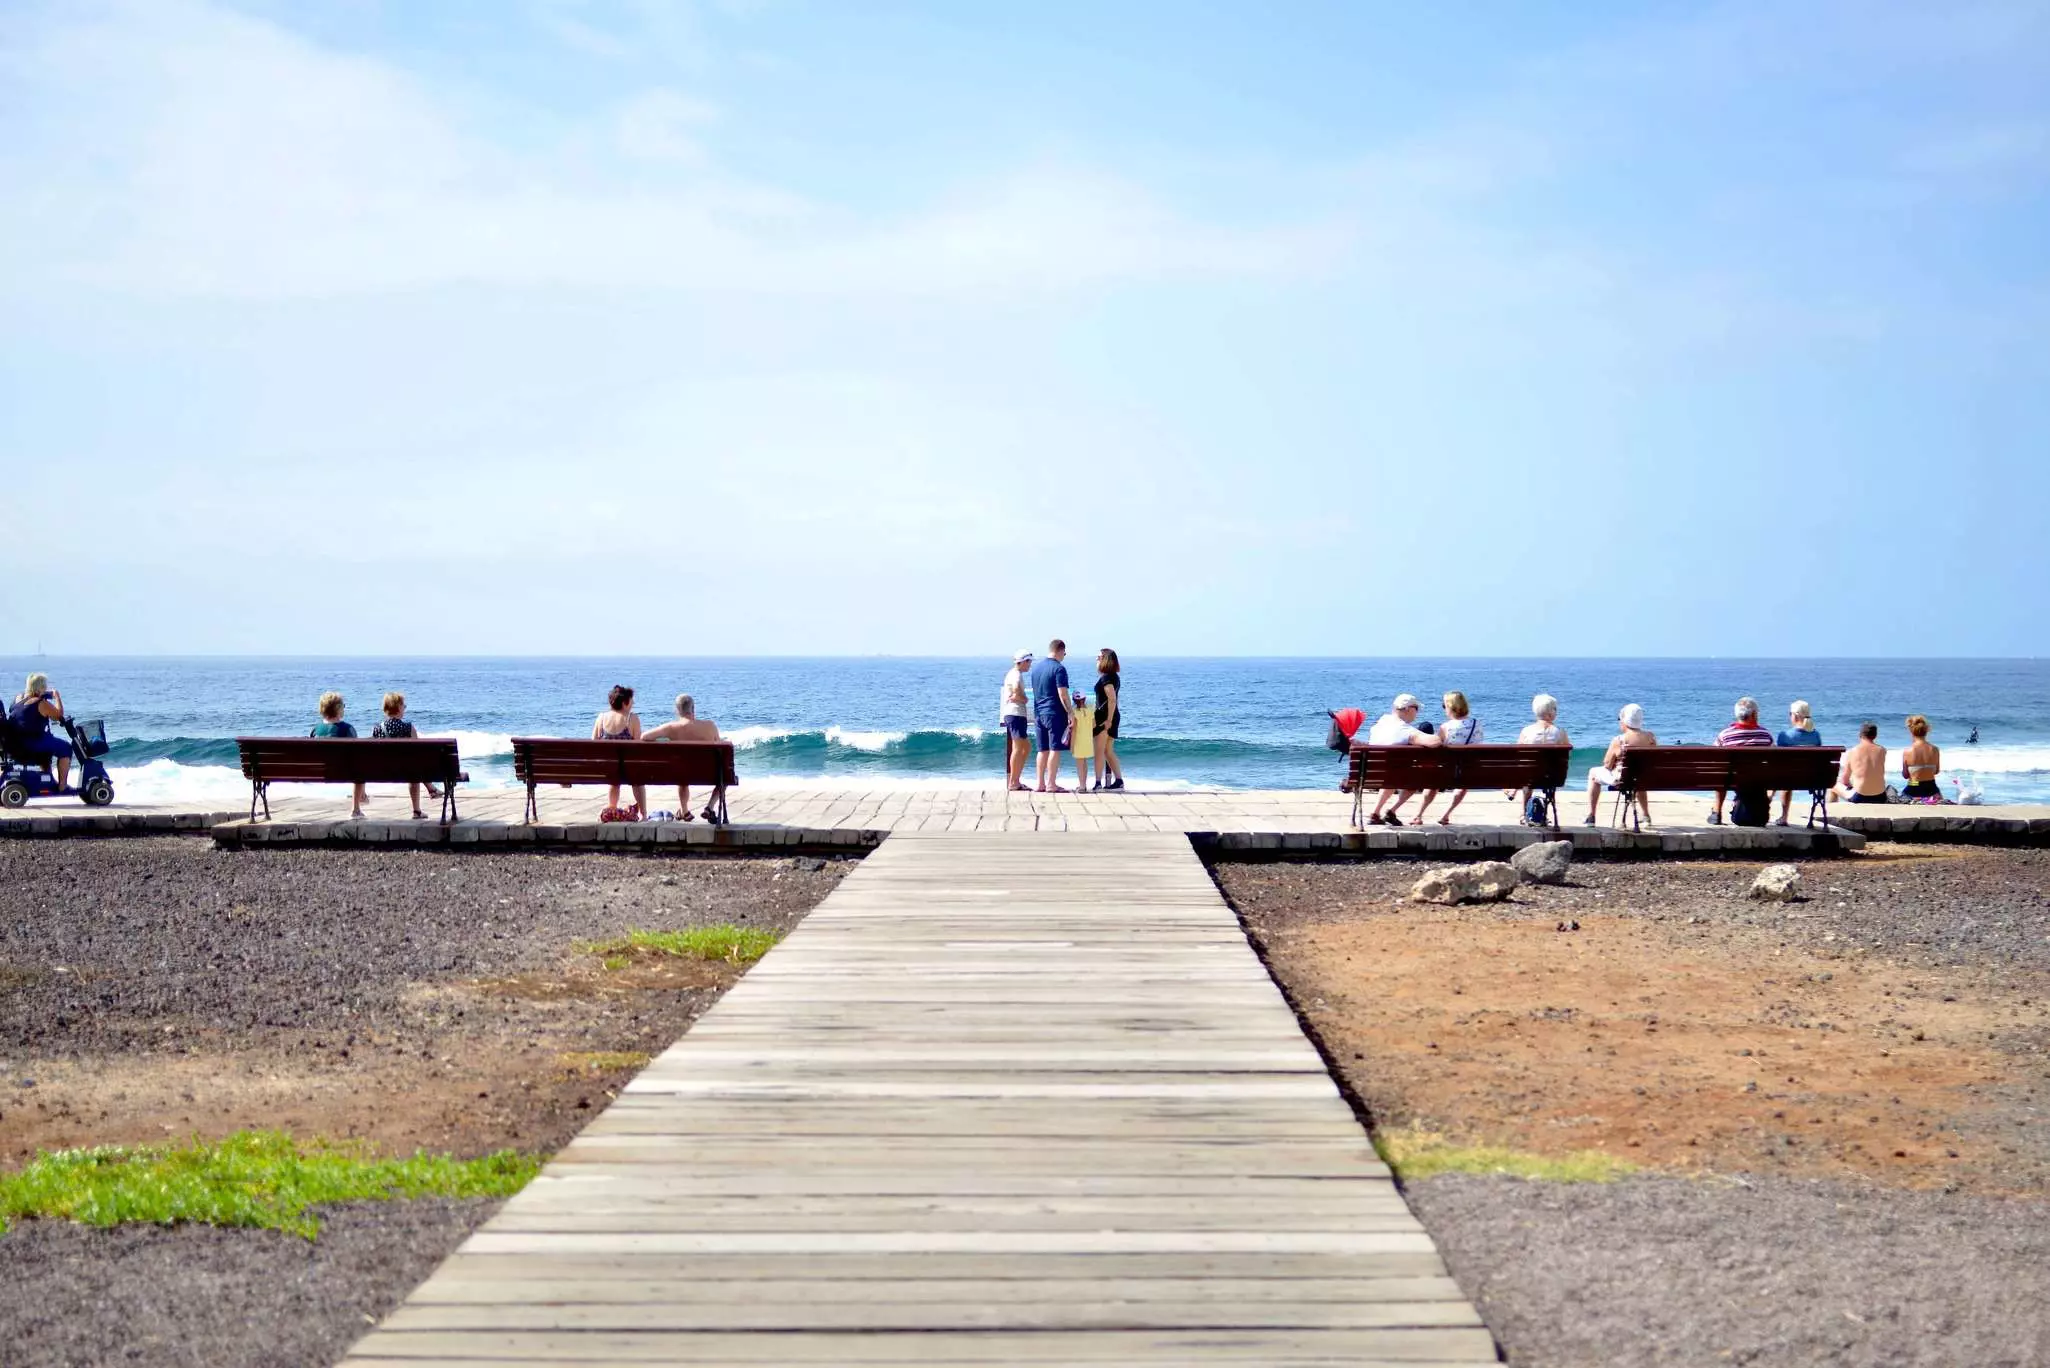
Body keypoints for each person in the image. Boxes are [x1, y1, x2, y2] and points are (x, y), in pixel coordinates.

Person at [1362, 693, 1444, 826]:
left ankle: (1375, 813)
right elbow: (1435, 742)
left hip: (1372, 774)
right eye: (1416, 709)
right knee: (1413, 780)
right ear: (1408, 709)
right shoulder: (1406, 730)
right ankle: (1392, 811)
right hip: (1395, 775)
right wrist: (1442, 734)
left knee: (1392, 773)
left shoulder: (1380, 723)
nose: (1417, 713)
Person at [642, 693, 724, 821]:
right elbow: (720, 749)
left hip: (682, 773)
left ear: (677, 710)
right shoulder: (710, 726)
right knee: (724, 777)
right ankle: (709, 807)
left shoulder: (670, 728)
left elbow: (644, 737)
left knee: (682, 775)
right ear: (693, 708)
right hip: (708, 773)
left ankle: (685, 811)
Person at [1409, 691, 1483, 826]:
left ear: (1450, 707)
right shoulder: (1477, 724)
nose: (1444, 709)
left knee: (1432, 784)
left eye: (1444, 706)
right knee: (1462, 785)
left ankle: (1418, 816)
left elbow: (1436, 745)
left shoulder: (1446, 727)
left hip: (1446, 771)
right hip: (1468, 771)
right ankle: (1446, 815)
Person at [371, 691, 442, 820]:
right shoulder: (408, 727)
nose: (405, 708)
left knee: (412, 766)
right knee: (414, 766)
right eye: (404, 706)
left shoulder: (377, 728)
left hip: (382, 770)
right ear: (398, 708)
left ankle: (431, 789)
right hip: (407, 771)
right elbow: (417, 752)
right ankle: (418, 809)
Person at [1706, 696, 1775, 826]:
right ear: (1754, 714)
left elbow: (1714, 758)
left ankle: (1717, 812)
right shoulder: (1765, 735)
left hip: (1732, 779)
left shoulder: (1725, 735)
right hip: (1757, 780)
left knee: (1721, 773)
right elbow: (1773, 761)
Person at [1585, 703, 1657, 827]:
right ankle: (1645, 815)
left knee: (1593, 773)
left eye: (1620, 719)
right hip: (1643, 779)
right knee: (1639, 775)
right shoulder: (1650, 737)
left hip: (1623, 780)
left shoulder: (1619, 740)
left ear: (1624, 721)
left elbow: (1607, 764)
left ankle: (1591, 816)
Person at [1027, 640, 1078, 793]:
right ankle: (1051, 784)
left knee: (1042, 750)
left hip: (1038, 713)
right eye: (1064, 652)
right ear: (1060, 650)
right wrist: (1070, 712)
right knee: (1054, 748)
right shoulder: (1059, 669)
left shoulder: (1036, 669)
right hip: (1054, 713)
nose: (1064, 655)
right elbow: (1062, 693)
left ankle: (1040, 784)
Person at [7, 672, 72, 789]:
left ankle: (47, 781)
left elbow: (21, 713)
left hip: (16, 743)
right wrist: (57, 697)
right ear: (41, 687)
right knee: (66, 748)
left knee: (47, 747)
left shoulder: (18, 698)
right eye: (44, 686)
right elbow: (59, 715)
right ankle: (62, 785)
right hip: (31, 744)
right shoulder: (40, 703)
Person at [1513, 694, 1570, 824]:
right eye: (1555, 709)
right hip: (1553, 777)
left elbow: (1518, 754)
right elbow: (1566, 755)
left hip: (1530, 776)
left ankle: (1524, 814)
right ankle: (1545, 813)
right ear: (1551, 713)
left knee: (1528, 776)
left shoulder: (1526, 731)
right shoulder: (1560, 732)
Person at [309, 691, 367, 819]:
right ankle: (355, 809)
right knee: (361, 767)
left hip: (319, 771)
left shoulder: (315, 730)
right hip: (344, 771)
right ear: (339, 709)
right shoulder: (348, 729)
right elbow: (357, 755)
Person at [592, 685, 645, 819]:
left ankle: (612, 809)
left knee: (615, 779)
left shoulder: (601, 718)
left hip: (609, 768)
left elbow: (593, 742)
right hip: (629, 768)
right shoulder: (632, 718)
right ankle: (644, 814)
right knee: (637, 780)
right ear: (624, 702)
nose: (633, 703)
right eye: (631, 701)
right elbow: (638, 745)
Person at [1773, 699, 1824, 827]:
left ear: (1795, 716)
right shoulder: (1816, 735)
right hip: (1812, 779)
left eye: (1790, 713)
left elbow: (1780, 761)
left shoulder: (1784, 735)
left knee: (1785, 775)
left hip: (1788, 779)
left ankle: (1784, 817)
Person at [999, 651, 1032, 792]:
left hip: (1016, 714)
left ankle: (1016, 780)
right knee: (1018, 748)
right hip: (1015, 714)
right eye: (1029, 662)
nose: (1030, 665)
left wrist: (1017, 696)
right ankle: (1013, 782)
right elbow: (1017, 688)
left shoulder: (1014, 673)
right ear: (1023, 661)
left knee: (1026, 748)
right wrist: (1023, 699)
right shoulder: (1016, 674)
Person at [1092, 648, 1124, 791]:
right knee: (1107, 751)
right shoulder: (1113, 676)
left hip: (1105, 718)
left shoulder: (1106, 678)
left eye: (1099, 657)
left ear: (1105, 659)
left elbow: (1112, 699)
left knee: (1099, 751)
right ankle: (1119, 781)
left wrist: (1108, 721)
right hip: (1110, 716)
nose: (1097, 659)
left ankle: (1098, 783)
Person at [1834, 722, 1888, 803]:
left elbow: (1845, 780)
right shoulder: (1882, 750)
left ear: (1860, 735)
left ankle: (1832, 811)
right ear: (1875, 736)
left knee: (1834, 787)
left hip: (1860, 797)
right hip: (1880, 796)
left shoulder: (1853, 751)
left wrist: (1852, 784)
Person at [1901, 714, 1943, 800]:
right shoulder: (1935, 750)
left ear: (1911, 731)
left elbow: (1905, 775)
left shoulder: (1907, 751)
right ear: (1926, 731)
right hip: (1931, 787)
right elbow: (1936, 771)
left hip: (1914, 785)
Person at [1071, 689, 1097, 791]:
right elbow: (1094, 725)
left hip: (1078, 741)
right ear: (1085, 699)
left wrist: (1072, 745)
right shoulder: (1090, 710)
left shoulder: (1073, 713)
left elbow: (1074, 730)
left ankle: (1082, 786)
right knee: (1084, 763)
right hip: (1088, 740)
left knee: (1079, 764)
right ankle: (1084, 784)